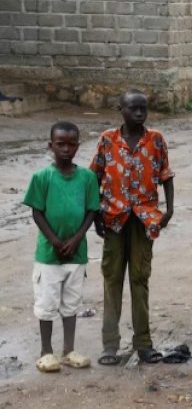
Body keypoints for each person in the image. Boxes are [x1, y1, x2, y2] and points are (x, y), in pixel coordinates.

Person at [90, 90, 175, 366]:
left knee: (140, 279)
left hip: (144, 220)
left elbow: (166, 175)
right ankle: (110, 345)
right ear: (121, 110)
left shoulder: (156, 140)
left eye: (143, 109)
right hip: (113, 219)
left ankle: (144, 343)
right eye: (133, 109)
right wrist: (94, 215)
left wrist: (169, 209)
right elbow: (94, 176)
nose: (139, 113)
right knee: (112, 279)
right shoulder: (107, 140)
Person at [23, 121, 100, 373]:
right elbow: (37, 212)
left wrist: (77, 238)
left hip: (76, 254)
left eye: (71, 144)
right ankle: (46, 352)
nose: (66, 149)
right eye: (60, 144)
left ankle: (69, 350)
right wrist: (55, 240)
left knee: (71, 302)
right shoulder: (42, 177)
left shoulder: (87, 178)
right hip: (49, 254)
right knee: (46, 303)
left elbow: (91, 211)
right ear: (50, 145)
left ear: (78, 145)